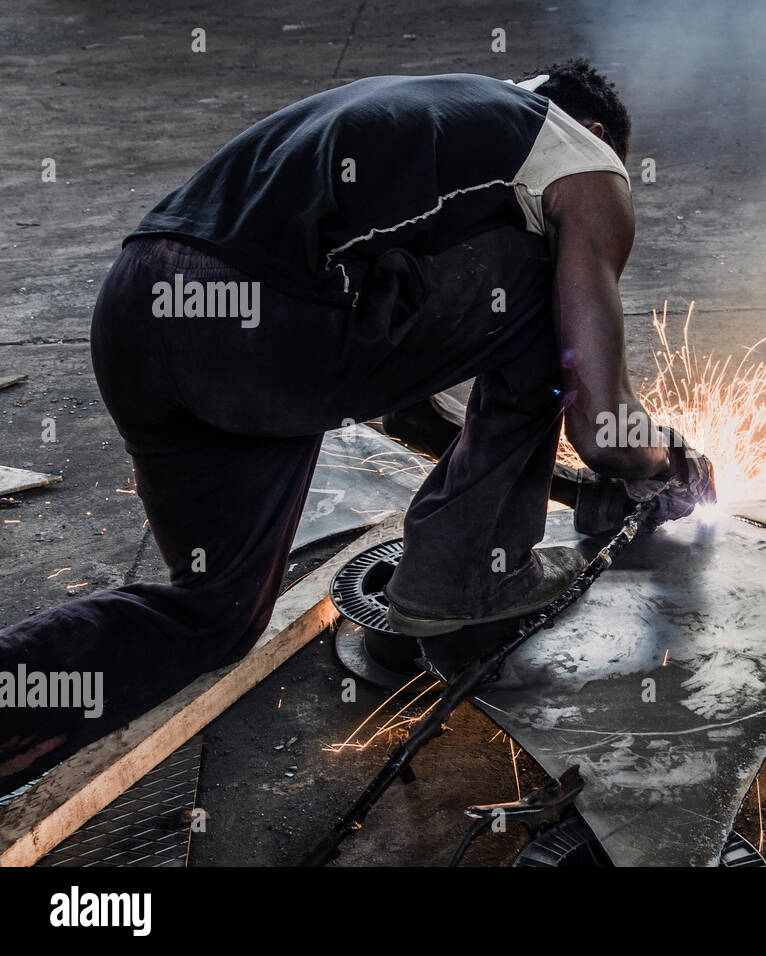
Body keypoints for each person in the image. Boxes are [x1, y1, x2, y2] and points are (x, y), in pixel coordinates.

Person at [0, 60, 715, 795]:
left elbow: (403, 402)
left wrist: (557, 484)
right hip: (263, 324)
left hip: (139, 314)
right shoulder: (582, 156)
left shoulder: (438, 117)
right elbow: (602, 425)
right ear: (597, 133)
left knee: (212, 614)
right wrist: (667, 465)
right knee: (542, 286)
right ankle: (460, 578)